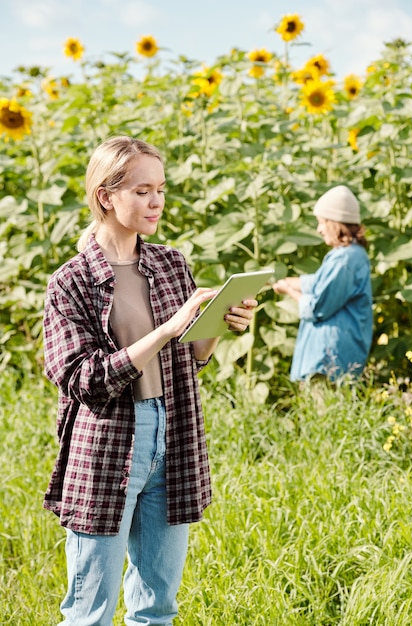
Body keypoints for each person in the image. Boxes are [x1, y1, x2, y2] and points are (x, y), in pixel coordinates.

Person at [42, 135, 257, 626]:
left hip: (173, 432)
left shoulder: (170, 263)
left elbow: (187, 359)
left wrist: (218, 326)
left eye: (160, 189)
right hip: (108, 445)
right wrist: (166, 328)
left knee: (157, 606)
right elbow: (83, 379)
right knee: (88, 612)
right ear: (105, 196)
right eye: (141, 191)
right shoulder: (70, 281)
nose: (156, 201)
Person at [272, 184, 373, 383]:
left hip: (329, 359)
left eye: (322, 222)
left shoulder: (344, 261)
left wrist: (290, 291)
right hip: (333, 357)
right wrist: (287, 281)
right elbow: (319, 282)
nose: (319, 229)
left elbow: (318, 307)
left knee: (323, 410)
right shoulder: (349, 255)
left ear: (336, 223)